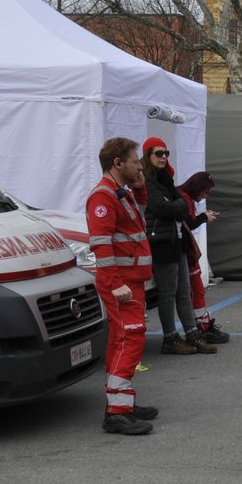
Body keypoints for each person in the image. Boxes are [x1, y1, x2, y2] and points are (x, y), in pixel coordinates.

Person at [87, 138, 157, 435]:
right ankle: (117, 412)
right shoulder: (103, 197)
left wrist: (139, 185)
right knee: (130, 339)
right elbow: (101, 245)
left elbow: (138, 215)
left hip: (132, 281)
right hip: (122, 283)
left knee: (122, 340)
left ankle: (122, 403)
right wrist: (115, 285)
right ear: (118, 163)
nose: (140, 165)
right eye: (135, 161)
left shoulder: (121, 193)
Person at [140, 137, 217, 355]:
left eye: (166, 153)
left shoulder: (165, 179)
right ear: (148, 155)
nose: (163, 157)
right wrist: (176, 206)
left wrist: (176, 206)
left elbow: (181, 205)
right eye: (158, 153)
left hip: (176, 239)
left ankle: (192, 333)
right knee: (168, 292)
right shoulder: (148, 180)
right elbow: (161, 208)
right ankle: (169, 337)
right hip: (161, 242)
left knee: (184, 291)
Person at [176, 171, 230, 344]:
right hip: (185, 250)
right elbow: (189, 223)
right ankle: (202, 327)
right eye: (205, 193)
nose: (205, 197)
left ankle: (201, 325)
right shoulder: (184, 198)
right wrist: (204, 217)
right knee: (196, 290)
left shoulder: (183, 196)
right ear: (198, 188)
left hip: (185, 249)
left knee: (193, 290)